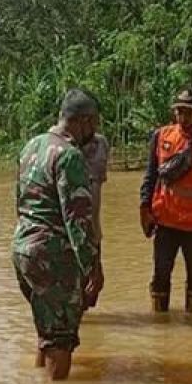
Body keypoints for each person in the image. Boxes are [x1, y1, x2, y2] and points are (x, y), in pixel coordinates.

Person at [13, 89, 102, 380]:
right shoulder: (69, 156)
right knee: (61, 337)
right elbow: (77, 221)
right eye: (95, 123)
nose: (95, 131)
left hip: (23, 248)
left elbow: (20, 202)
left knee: (46, 327)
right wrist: (93, 268)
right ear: (83, 121)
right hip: (51, 255)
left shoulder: (32, 146)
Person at [139, 88, 192, 313]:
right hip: (165, 220)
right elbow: (150, 176)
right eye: (179, 112)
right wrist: (144, 208)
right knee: (161, 274)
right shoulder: (161, 137)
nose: (183, 118)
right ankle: (160, 324)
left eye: (188, 113)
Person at [80, 131, 109, 309]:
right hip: (68, 235)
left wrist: (96, 260)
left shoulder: (101, 144)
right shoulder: (62, 150)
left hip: (93, 231)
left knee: (91, 295)